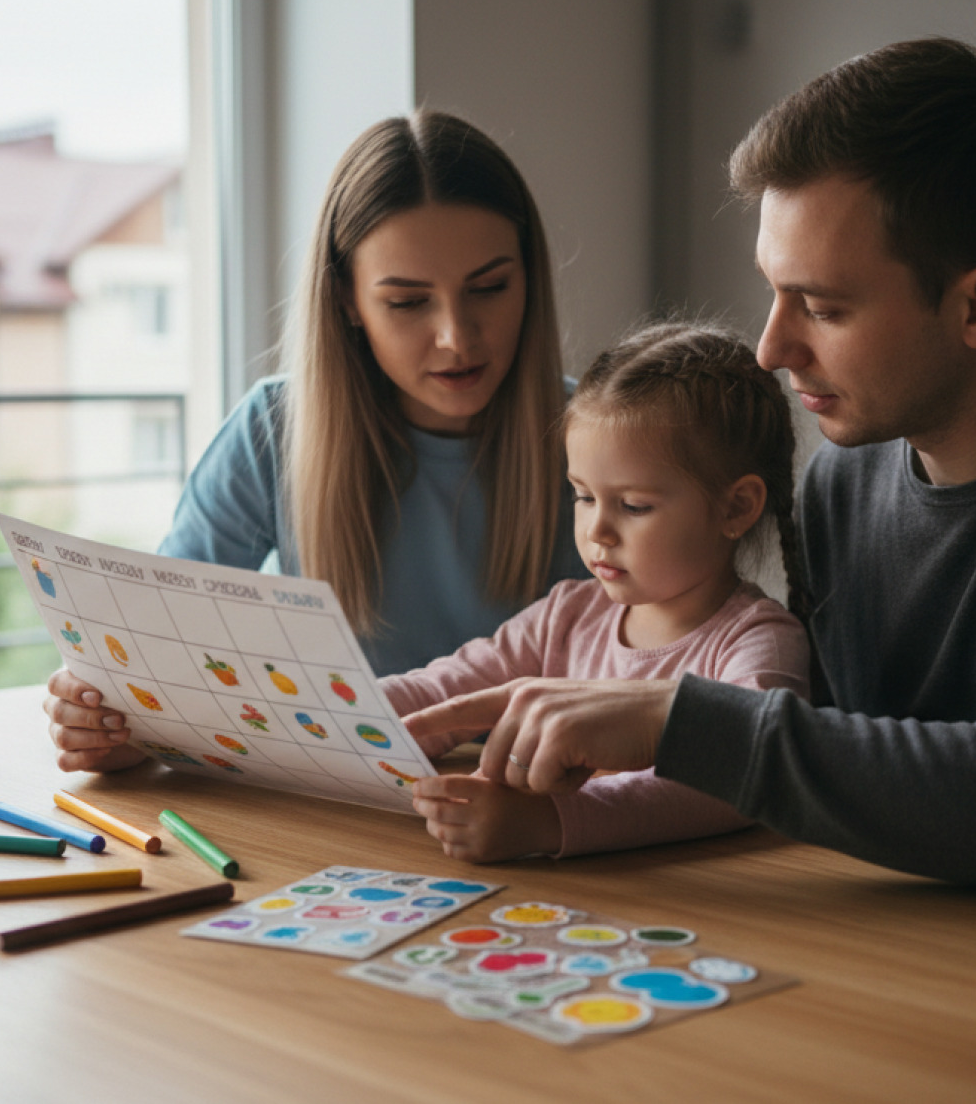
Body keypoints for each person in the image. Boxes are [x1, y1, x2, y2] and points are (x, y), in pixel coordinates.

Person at [408, 38, 976, 910]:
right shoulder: (844, 483)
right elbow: (847, 777)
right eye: (775, 293)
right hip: (932, 947)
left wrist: (678, 720)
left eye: (822, 306)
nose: (771, 348)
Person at [45, 111, 586, 773]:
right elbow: (161, 661)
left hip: (534, 801)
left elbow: (651, 678)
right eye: (408, 302)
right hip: (331, 800)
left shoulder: (597, 440)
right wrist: (111, 724)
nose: (456, 336)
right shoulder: (272, 432)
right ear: (347, 299)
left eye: (490, 287)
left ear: (530, 278)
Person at [391, 321, 810, 863]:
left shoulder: (758, 643)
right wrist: (337, 715)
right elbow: (442, 689)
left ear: (736, 507)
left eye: (633, 506)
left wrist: (549, 822)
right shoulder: (567, 614)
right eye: (583, 496)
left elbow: (739, 777)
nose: (597, 531)